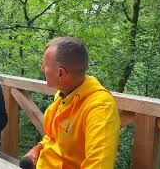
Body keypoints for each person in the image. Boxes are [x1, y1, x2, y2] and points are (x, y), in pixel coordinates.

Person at [23, 37, 120, 168]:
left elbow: (99, 165)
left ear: (61, 74)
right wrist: (37, 149)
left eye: (45, 65)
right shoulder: (63, 93)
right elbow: (53, 137)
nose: (42, 69)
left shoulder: (100, 108)